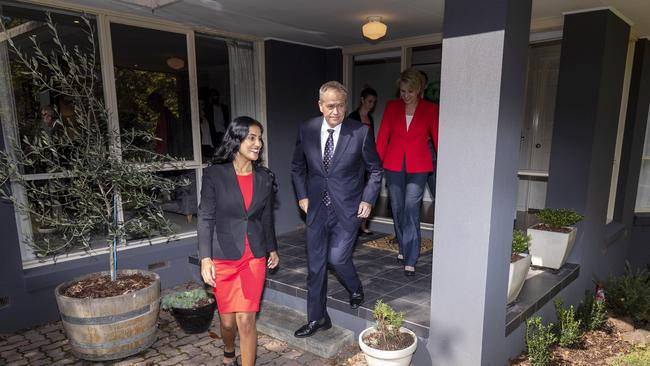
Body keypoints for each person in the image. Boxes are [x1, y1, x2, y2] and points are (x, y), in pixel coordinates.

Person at [291, 81, 383, 338]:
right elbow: (297, 167)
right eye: (330, 106)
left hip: (348, 208)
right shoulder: (307, 129)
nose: (336, 111)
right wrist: (302, 196)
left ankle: (354, 286)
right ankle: (318, 318)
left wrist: (368, 199)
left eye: (341, 105)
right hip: (316, 209)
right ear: (320, 106)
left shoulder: (359, 132)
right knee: (315, 267)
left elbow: (375, 169)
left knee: (337, 258)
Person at [198, 116, 280, 366]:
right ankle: (228, 349)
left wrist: (272, 248)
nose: (258, 143)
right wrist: (205, 258)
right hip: (223, 256)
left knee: (246, 319)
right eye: (252, 138)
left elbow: (266, 218)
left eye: (260, 138)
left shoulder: (264, 178)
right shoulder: (214, 174)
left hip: (254, 256)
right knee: (227, 322)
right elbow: (205, 217)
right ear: (237, 140)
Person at [376, 68, 439, 276]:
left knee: (412, 207)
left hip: (419, 166)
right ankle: (403, 247)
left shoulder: (430, 109)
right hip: (394, 164)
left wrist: (447, 166)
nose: (405, 96)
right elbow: (383, 135)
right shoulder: (391, 107)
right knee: (398, 207)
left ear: (418, 89)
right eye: (402, 91)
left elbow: (438, 139)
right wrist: (376, 165)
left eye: (409, 91)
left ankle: (411, 257)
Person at [347, 87, 378, 235]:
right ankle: (355, 223)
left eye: (374, 102)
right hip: (357, 159)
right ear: (362, 99)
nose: (371, 105)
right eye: (370, 101)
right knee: (357, 190)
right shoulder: (352, 117)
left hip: (368, 157)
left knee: (368, 190)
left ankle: (363, 224)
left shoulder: (370, 118)